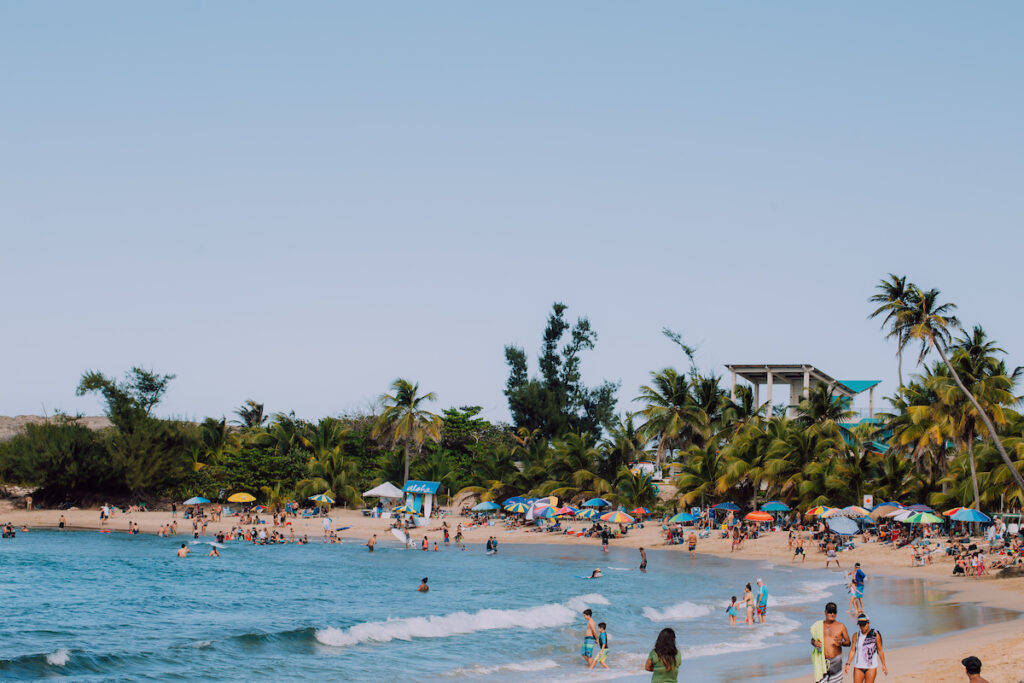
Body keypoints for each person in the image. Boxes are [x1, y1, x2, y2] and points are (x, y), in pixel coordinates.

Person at [811, 602, 851, 683]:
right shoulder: (819, 625)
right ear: (825, 613)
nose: (832, 614)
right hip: (822, 661)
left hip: (836, 661)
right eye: (830, 612)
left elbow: (848, 642)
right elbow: (812, 640)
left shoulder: (841, 626)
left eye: (834, 612)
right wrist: (814, 642)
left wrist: (842, 643)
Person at [845, 613, 887, 681]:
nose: (862, 627)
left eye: (863, 625)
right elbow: (853, 650)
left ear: (868, 623)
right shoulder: (856, 636)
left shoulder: (875, 635)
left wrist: (883, 665)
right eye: (860, 625)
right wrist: (848, 663)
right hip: (858, 667)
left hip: (871, 667)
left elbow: (880, 650)